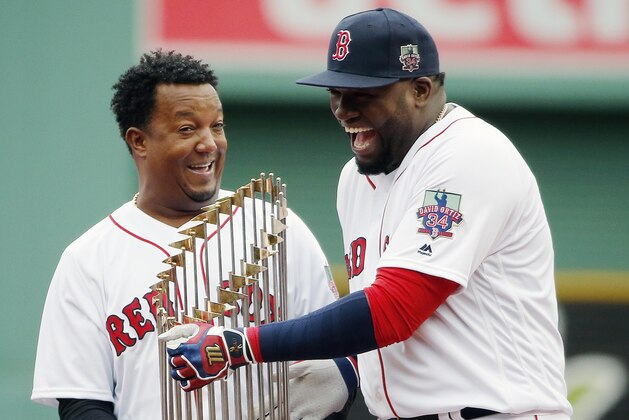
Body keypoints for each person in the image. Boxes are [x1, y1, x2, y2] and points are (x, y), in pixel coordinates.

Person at [160, 8, 574, 420]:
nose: (343, 109)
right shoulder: (355, 179)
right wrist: (346, 368)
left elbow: (395, 309)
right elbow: (389, 330)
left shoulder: (470, 153)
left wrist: (240, 345)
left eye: (364, 94)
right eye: (336, 92)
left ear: (421, 90)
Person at [31, 49, 358, 419]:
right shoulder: (88, 260)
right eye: (187, 129)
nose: (208, 143)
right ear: (139, 141)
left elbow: (338, 352)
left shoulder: (277, 228)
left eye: (216, 126)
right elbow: (83, 404)